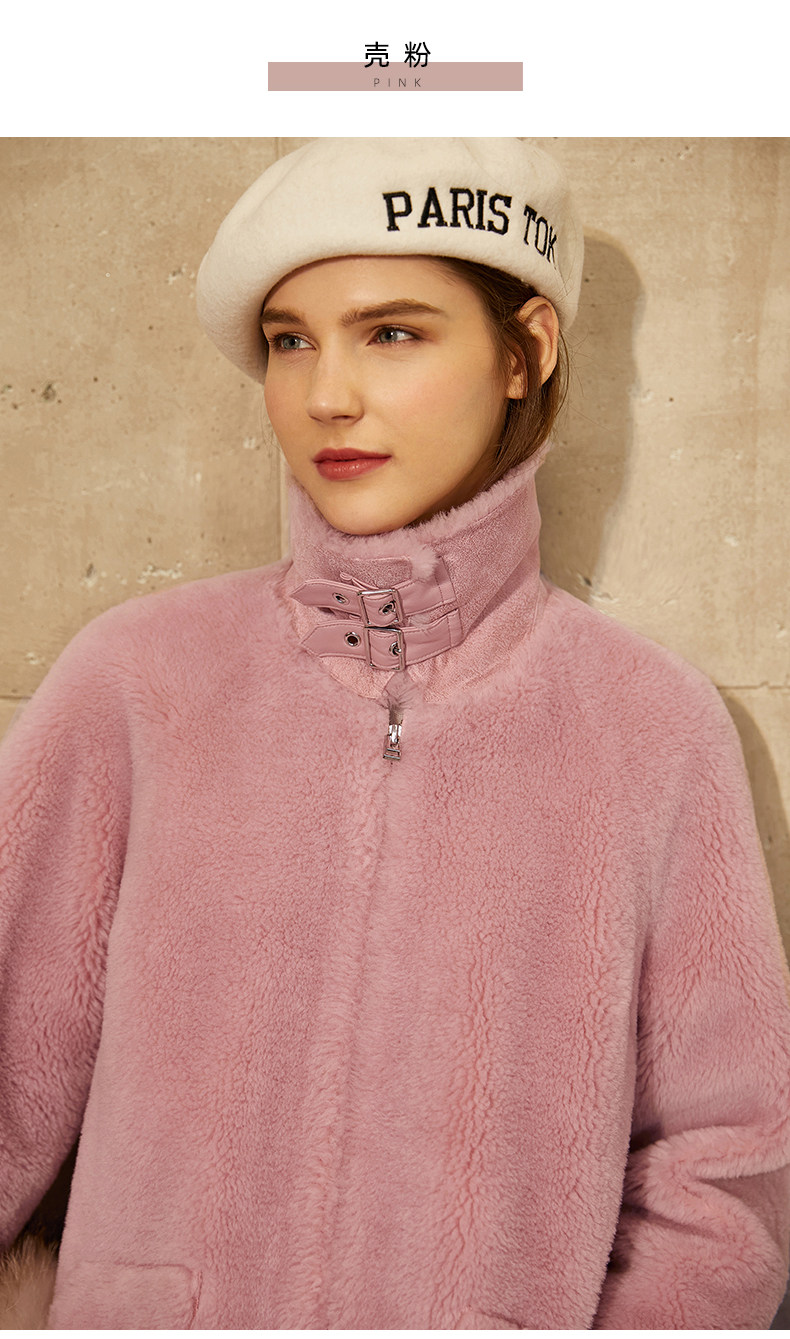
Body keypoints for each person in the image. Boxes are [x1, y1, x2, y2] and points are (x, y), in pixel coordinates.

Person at [0, 137, 789, 1330]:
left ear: (525, 351)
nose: (327, 394)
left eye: (392, 333)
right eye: (291, 340)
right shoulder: (139, 685)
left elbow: (727, 1165)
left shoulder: (650, 731)